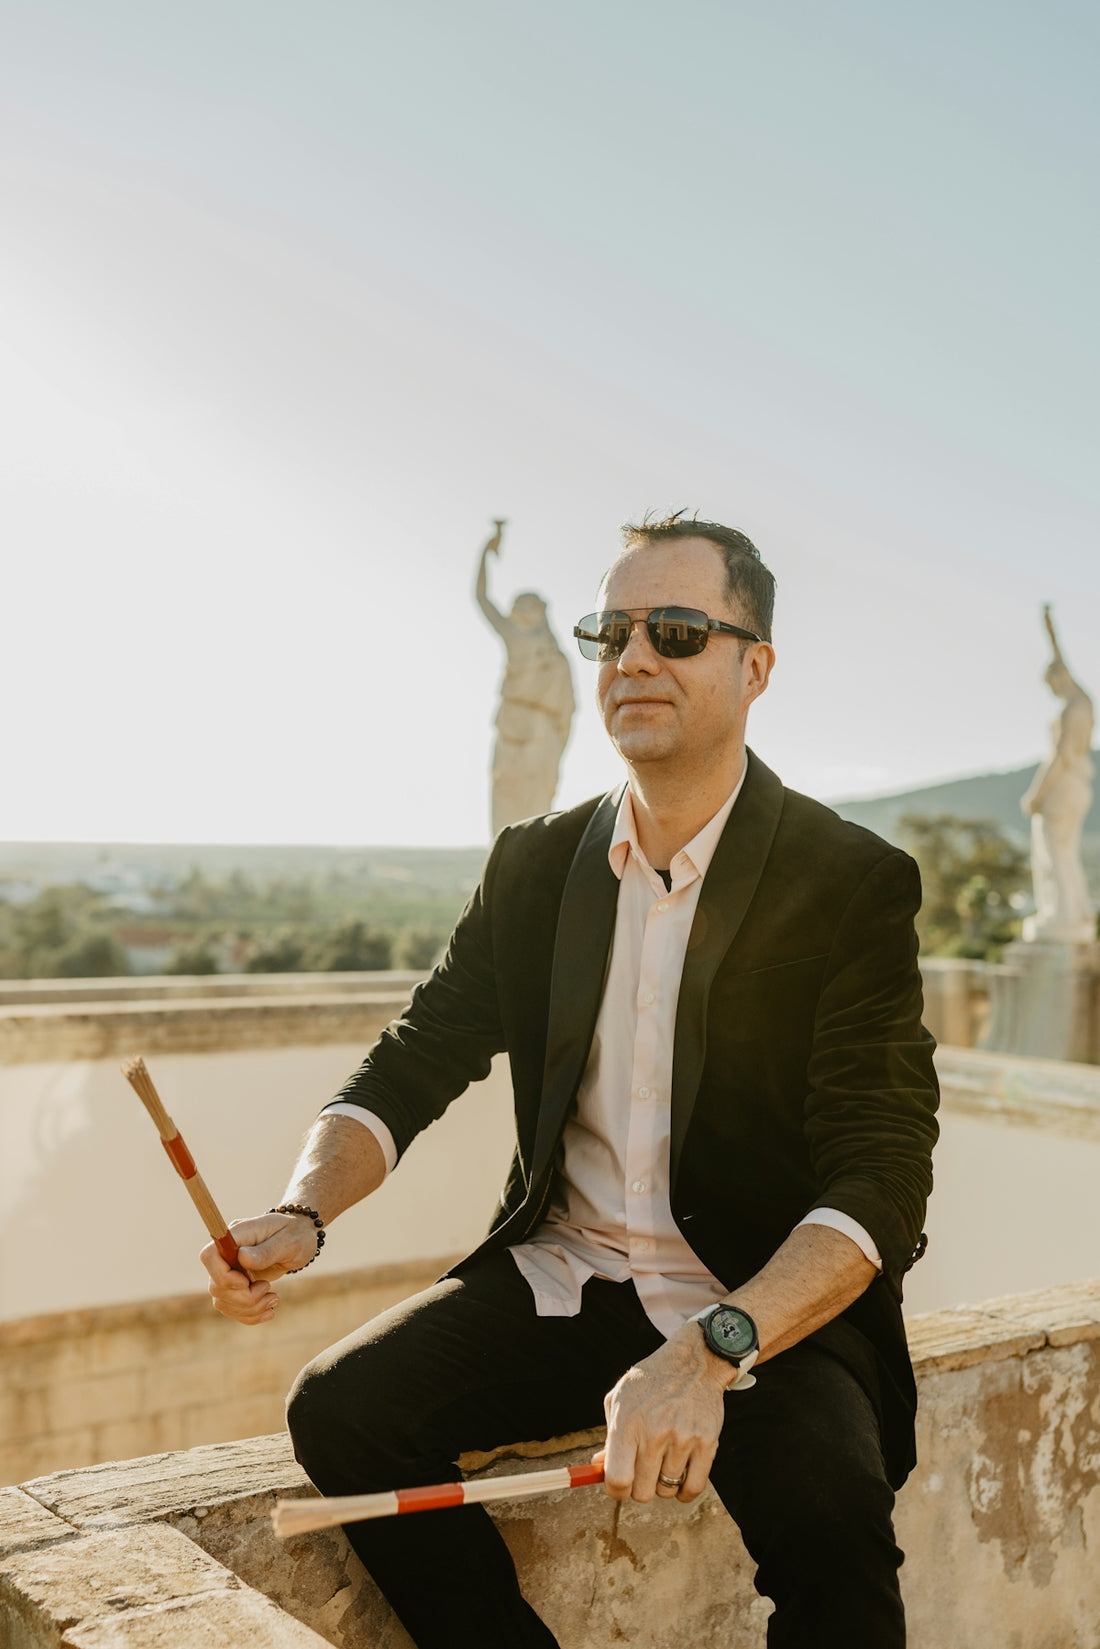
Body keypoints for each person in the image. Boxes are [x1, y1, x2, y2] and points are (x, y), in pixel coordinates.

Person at [202, 516, 939, 1648]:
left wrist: (707, 1351)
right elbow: (416, 1054)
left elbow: (879, 1176)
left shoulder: (848, 880)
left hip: (754, 1308)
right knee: (342, 1414)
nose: (631, 657)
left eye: (677, 630)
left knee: (834, 1526)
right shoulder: (533, 865)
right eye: (612, 630)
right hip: (566, 1277)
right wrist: (305, 1209)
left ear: (755, 667)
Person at [475, 518, 576, 834]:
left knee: (534, 819)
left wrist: (556, 754)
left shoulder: (559, 660)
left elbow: (567, 715)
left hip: (543, 740)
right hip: (513, 730)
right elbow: (482, 599)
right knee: (504, 817)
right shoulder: (517, 641)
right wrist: (484, 553)